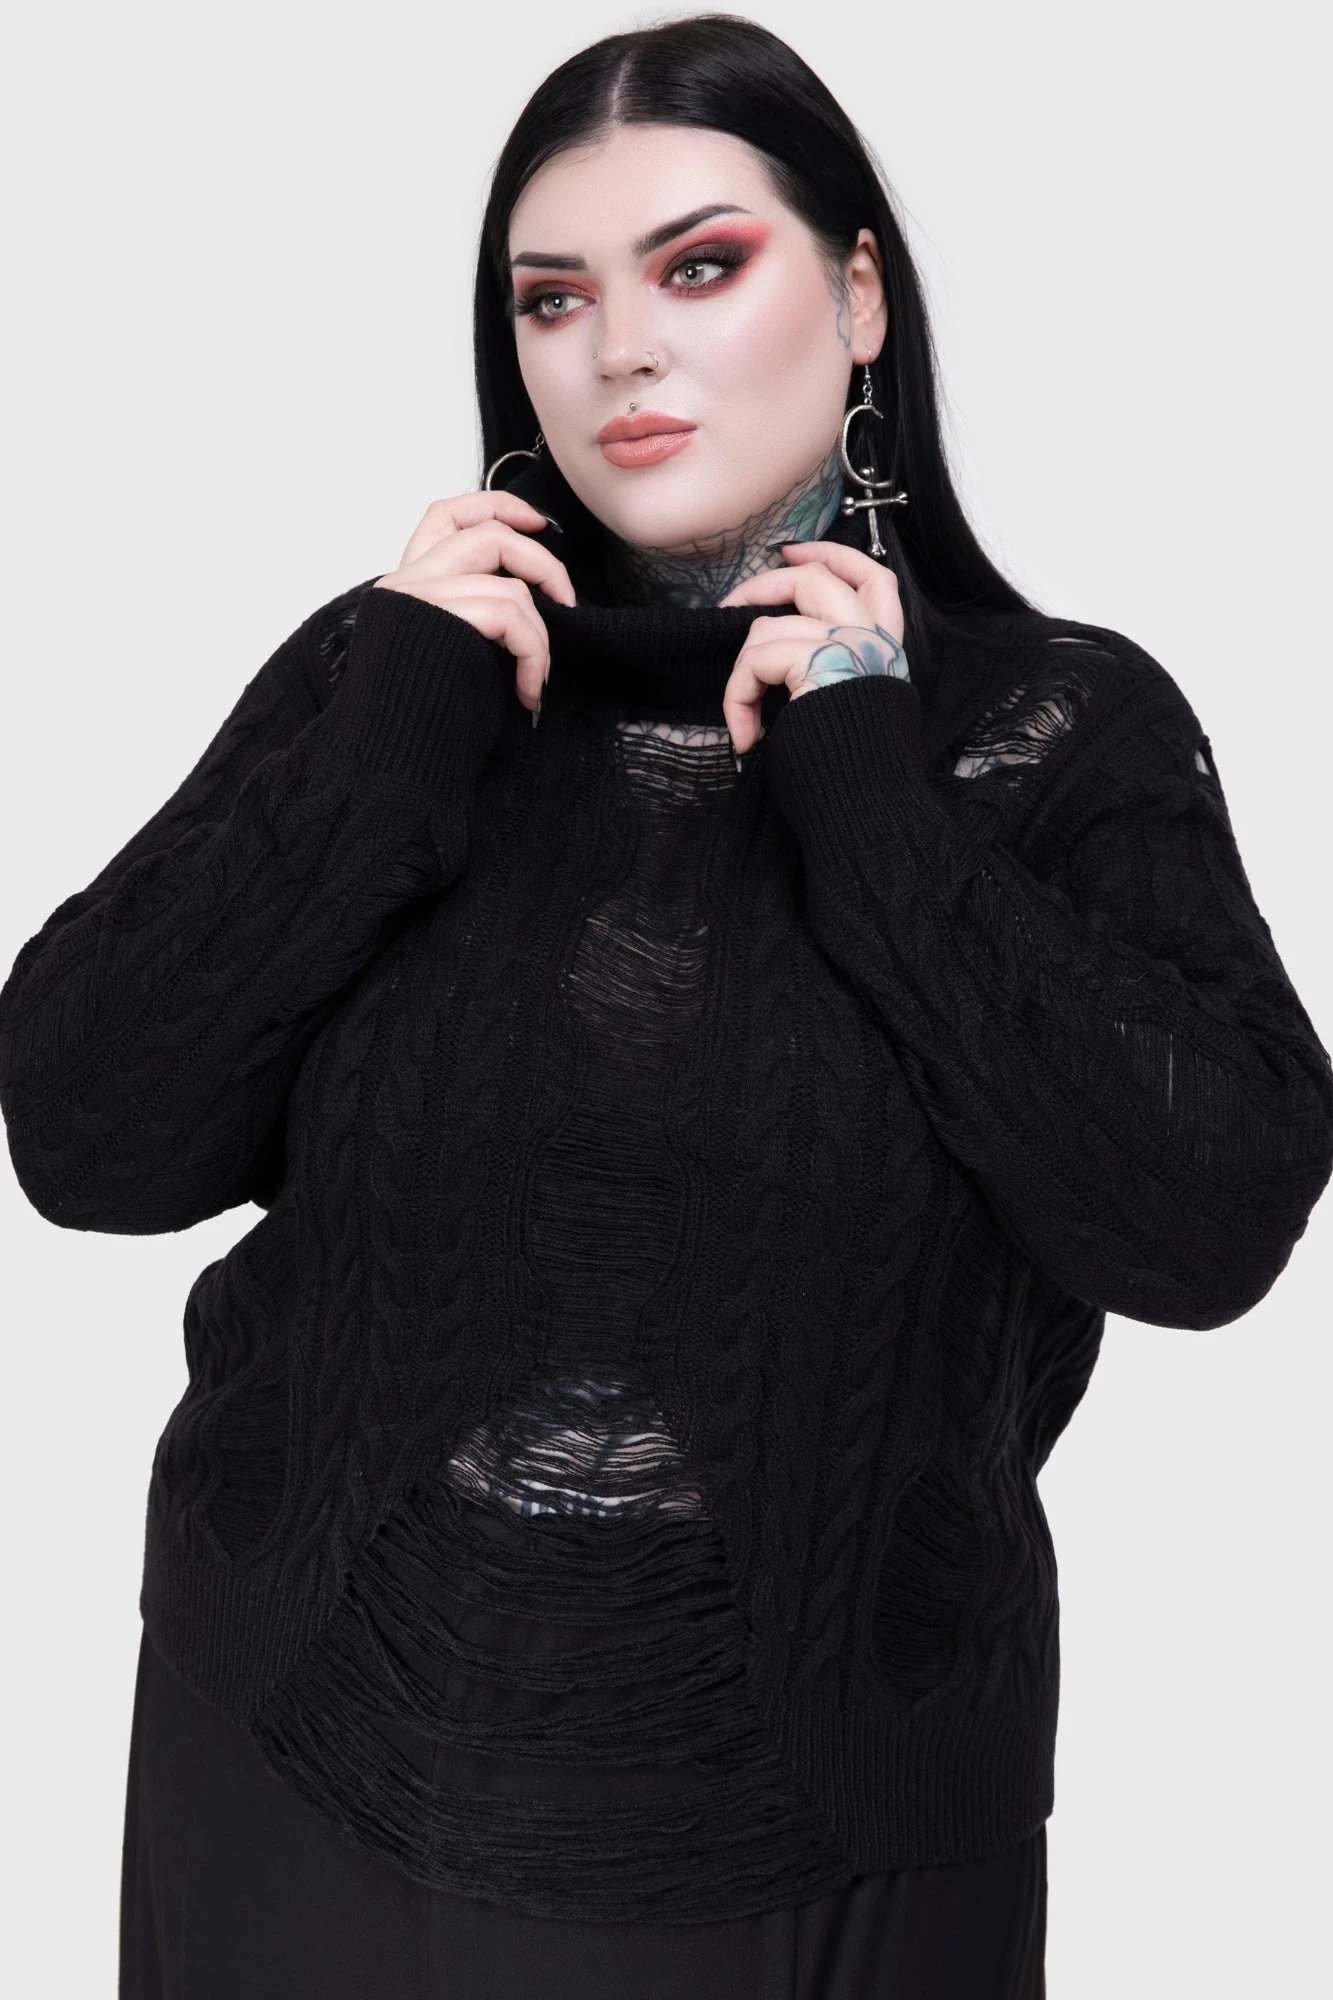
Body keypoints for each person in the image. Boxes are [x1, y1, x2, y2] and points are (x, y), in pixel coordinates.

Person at [3, 15, 1330, 2000]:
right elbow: (85, 1136)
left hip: (818, 1828)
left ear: (860, 297)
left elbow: (1206, 1226)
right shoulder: (404, 684)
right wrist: (386, 737)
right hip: (289, 1770)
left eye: (700, 266)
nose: (619, 348)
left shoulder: (1052, 733)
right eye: (555, 298)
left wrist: (871, 794)